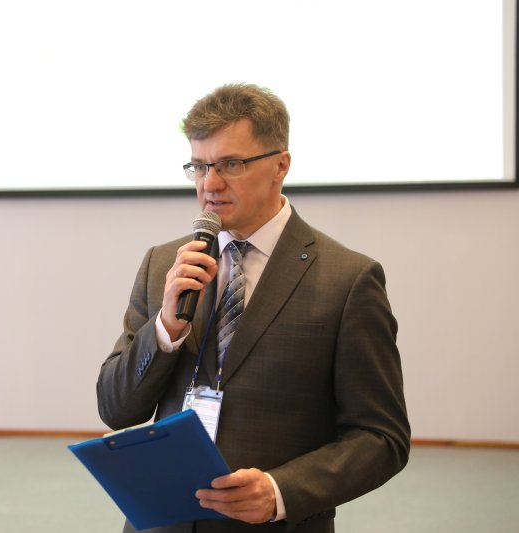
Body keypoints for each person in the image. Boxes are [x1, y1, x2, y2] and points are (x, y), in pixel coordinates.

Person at [96, 83, 410, 533]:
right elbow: (115, 409)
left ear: (280, 165)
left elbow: (382, 438)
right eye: (199, 166)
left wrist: (280, 491)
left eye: (231, 164)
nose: (210, 184)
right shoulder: (164, 264)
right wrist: (165, 328)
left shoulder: (348, 280)